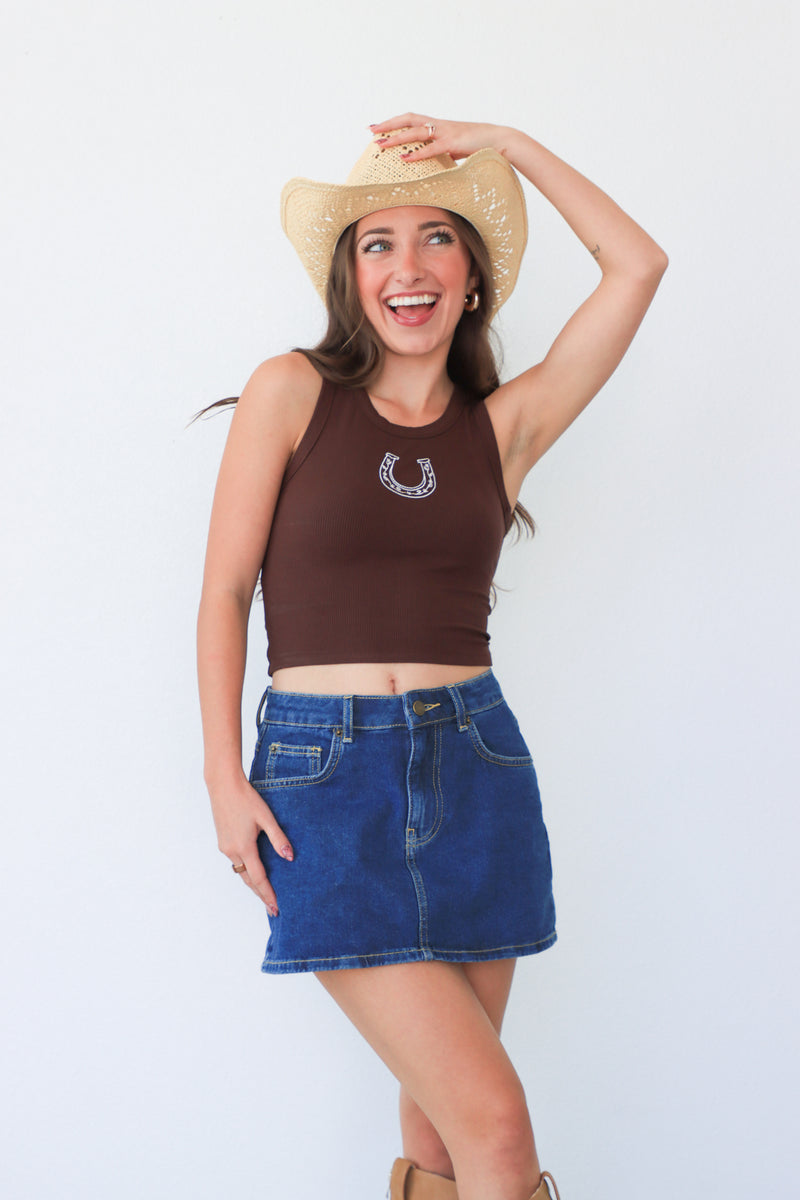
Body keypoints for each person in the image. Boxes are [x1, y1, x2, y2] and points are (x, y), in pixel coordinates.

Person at [196, 112, 668, 1200]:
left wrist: (509, 144)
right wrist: (223, 777)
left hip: (477, 772)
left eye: (436, 239)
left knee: (448, 1134)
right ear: (348, 275)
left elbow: (636, 264)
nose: (405, 267)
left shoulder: (502, 430)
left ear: (471, 275)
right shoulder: (290, 393)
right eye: (376, 243)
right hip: (324, 783)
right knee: (497, 1124)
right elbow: (224, 593)